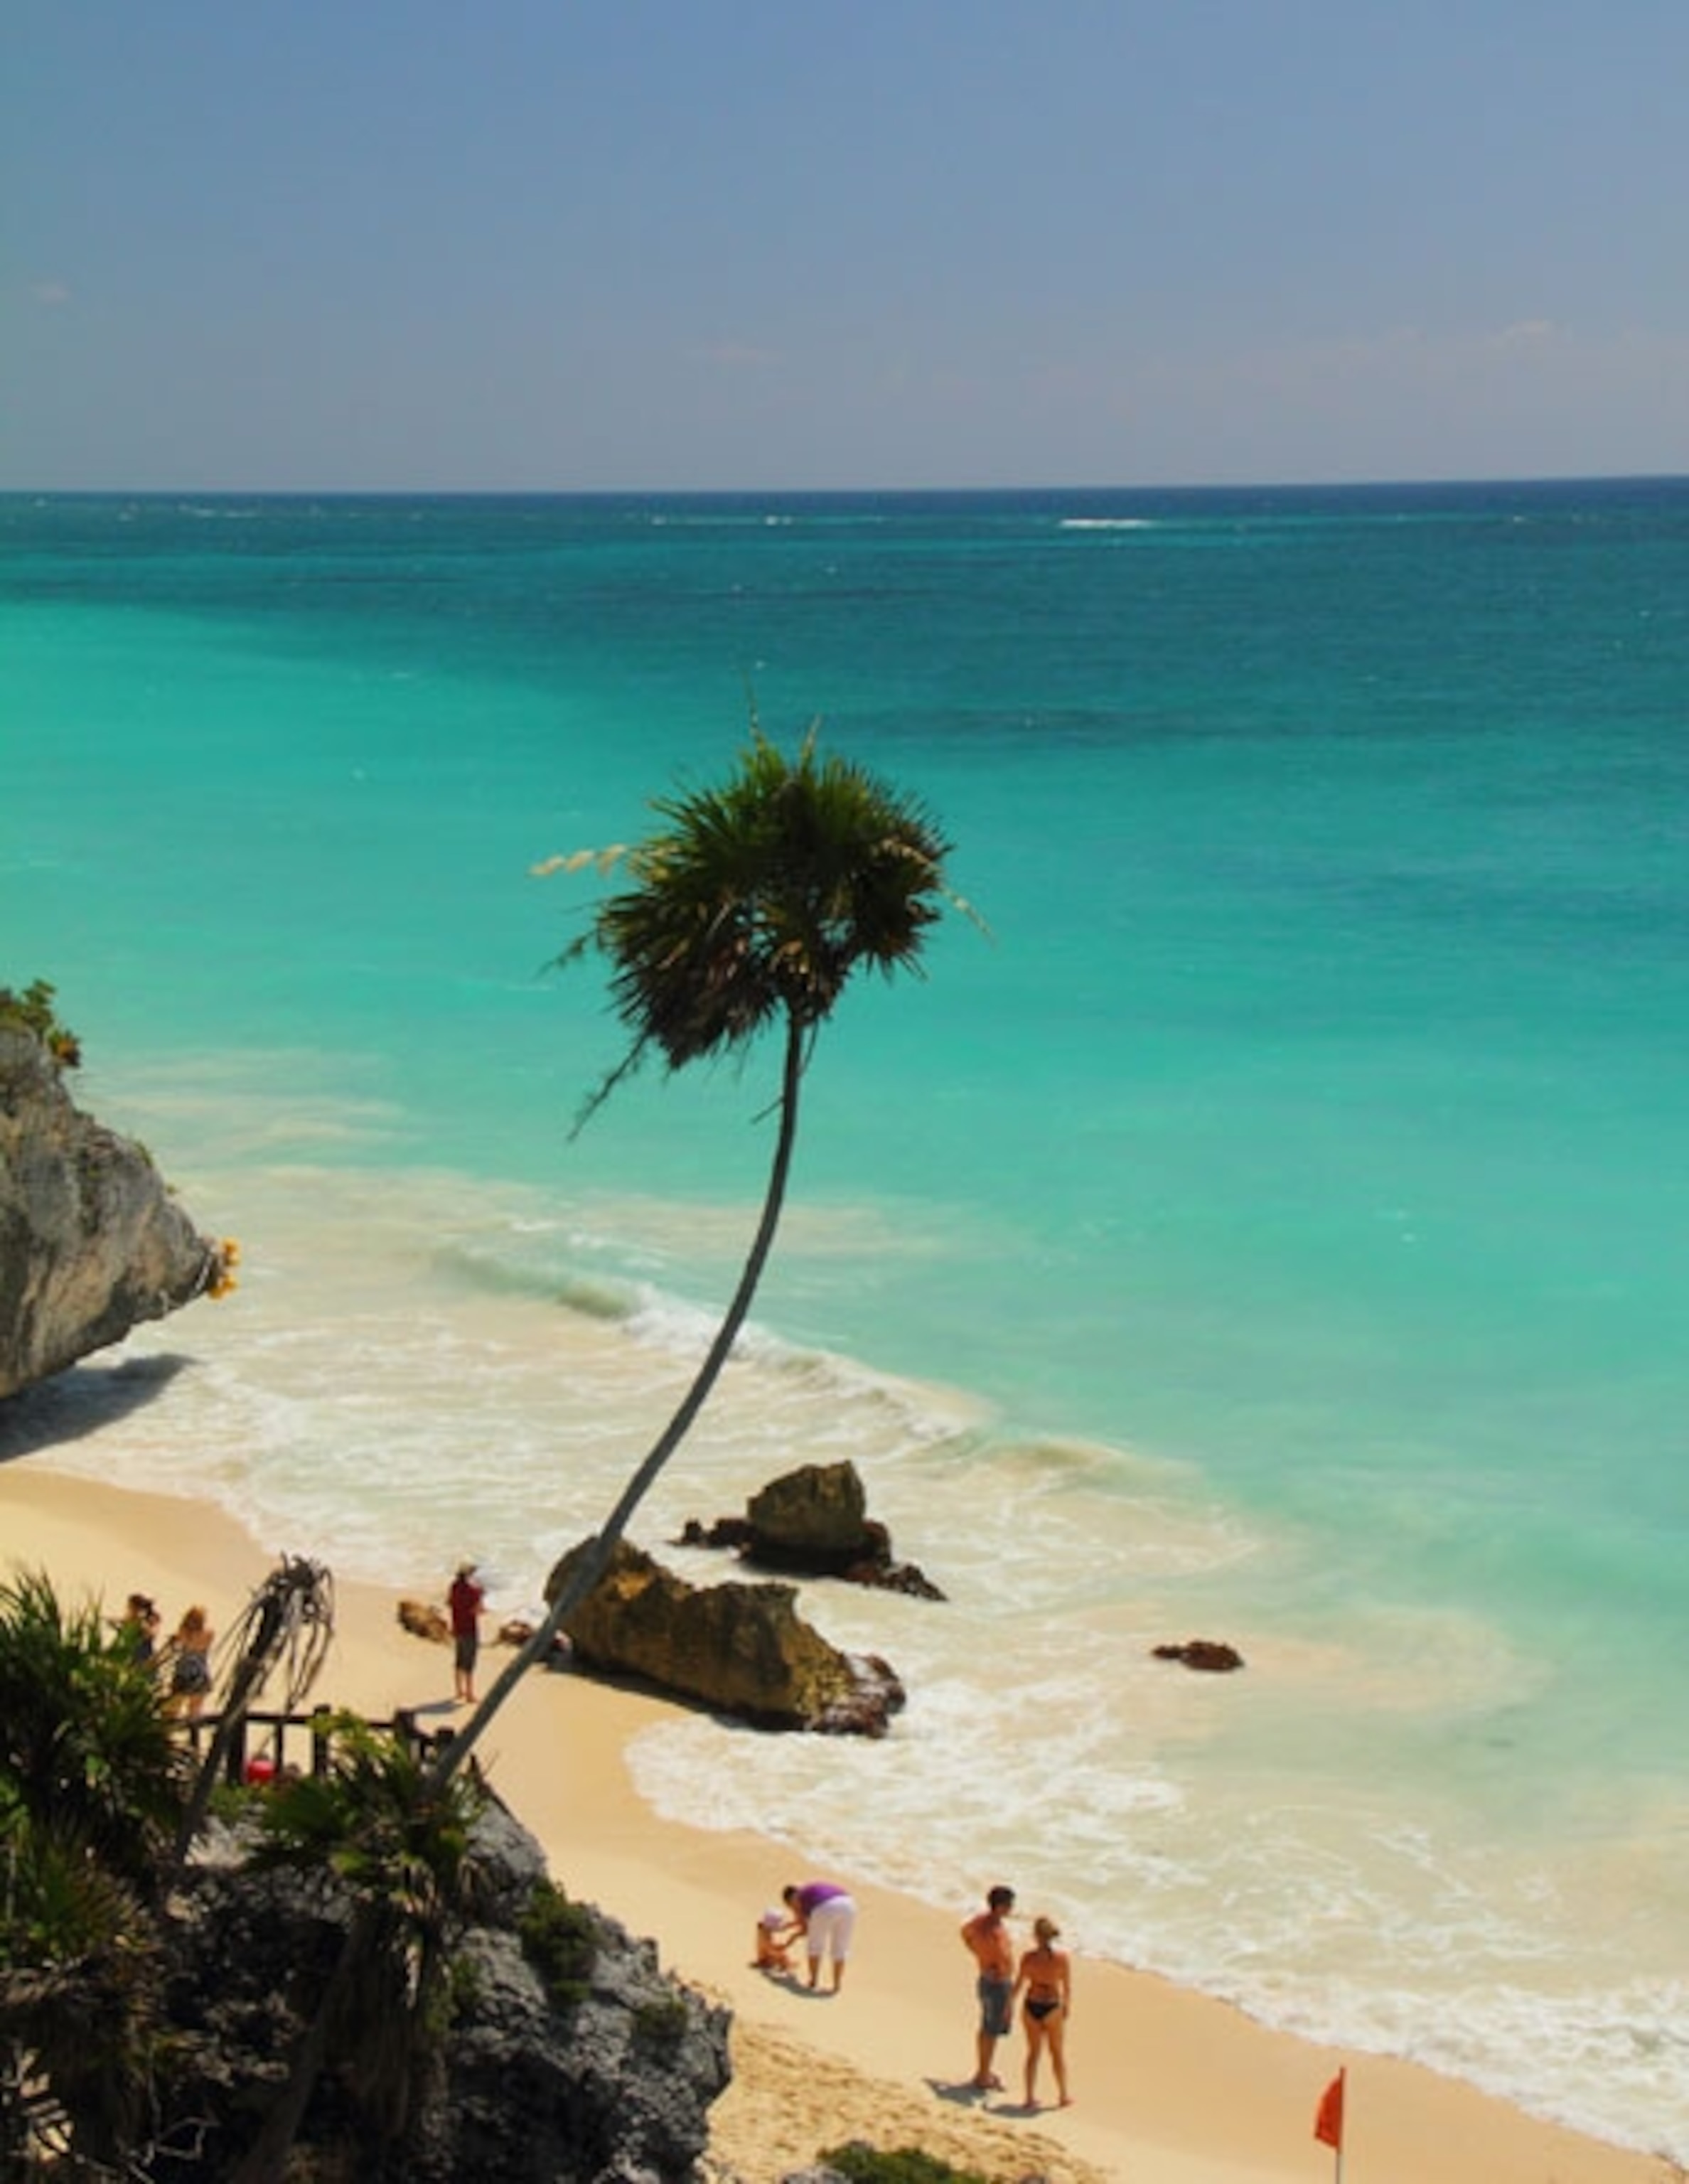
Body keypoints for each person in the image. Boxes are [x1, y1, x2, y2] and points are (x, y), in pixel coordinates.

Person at [1011, 1914, 1073, 2109]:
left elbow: (1019, 1985)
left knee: (1033, 2054)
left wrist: (1008, 2006)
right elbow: (1067, 1988)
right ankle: (1063, 2095)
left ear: (1036, 1936)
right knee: (1057, 2053)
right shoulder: (1062, 1959)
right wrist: (1066, 2007)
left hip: (1031, 2004)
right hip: (1052, 2005)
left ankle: (1029, 2097)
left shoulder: (1028, 1958)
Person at [960, 1883, 1017, 2092]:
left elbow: (965, 1933)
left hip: (990, 1981)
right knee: (990, 2030)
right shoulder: (992, 1930)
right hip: (996, 1984)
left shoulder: (984, 1922)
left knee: (989, 2028)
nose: (1012, 1909)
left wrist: (978, 1952)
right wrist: (984, 1958)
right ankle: (983, 2075)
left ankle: (984, 2071)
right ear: (1001, 1906)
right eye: (1010, 1905)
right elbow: (1002, 1960)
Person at [781, 1880, 857, 1993]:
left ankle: (813, 1981)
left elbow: (804, 1927)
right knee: (840, 1947)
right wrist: (791, 1928)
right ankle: (836, 1985)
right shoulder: (809, 1892)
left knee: (815, 1946)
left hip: (825, 1906)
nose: (791, 1908)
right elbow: (803, 1922)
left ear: (790, 1899)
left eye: (789, 1905)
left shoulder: (798, 1897)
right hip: (849, 1904)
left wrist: (791, 1938)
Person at [166, 1605, 215, 1720]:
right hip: (200, 1674)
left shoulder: (184, 1633)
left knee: (172, 1711)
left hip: (183, 1673)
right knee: (194, 1713)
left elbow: (176, 1646)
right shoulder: (208, 1634)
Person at [448, 1561, 485, 1704]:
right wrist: (481, 1597)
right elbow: (478, 1611)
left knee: (459, 1660)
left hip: (457, 1628)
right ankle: (470, 1694)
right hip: (470, 1630)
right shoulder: (473, 1592)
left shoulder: (454, 1587)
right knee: (469, 1663)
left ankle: (459, 1691)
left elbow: (450, 1603)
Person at [751, 1902, 798, 1974]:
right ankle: (786, 1965)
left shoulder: (764, 1927)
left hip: (767, 1952)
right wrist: (781, 1953)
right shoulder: (764, 1936)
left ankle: (785, 1963)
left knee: (780, 1951)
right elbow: (769, 1949)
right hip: (765, 1958)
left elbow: (782, 1928)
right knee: (781, 1954)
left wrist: (794, 1923)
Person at [118, 1592, 160, 1666]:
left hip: (142, 1656)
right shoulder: (130, 1620)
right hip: (130, 1655)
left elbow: (152, 1634)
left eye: (130, 1607)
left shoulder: (146, 1621)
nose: (128, 1610)